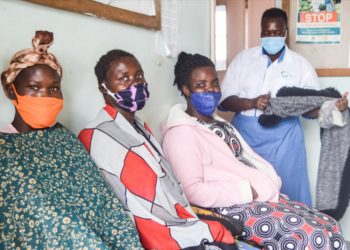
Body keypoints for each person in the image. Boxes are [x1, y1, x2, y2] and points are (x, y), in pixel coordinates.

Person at [162, 51, 347, 250]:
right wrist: (246, 191)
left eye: (214, 83)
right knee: (314, 236)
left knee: (328, 224)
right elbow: (192, 190)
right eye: (201, 85)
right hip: (232, 208)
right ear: (186, 90)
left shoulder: (218, 123)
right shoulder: (181, 134)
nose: (211, 89)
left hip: (257, 199)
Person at [78, 49, 241, 250]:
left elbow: (166, 185)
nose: (134, 83)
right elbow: (132, 201)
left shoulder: (140, 127)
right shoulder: (95, 135)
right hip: (151, 228)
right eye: (124, 78)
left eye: (138, 76)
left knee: (223, 231)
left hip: (177, 215)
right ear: (103, 88)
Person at [0, 31, 141, 249]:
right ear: (11, 90)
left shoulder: (63, 136)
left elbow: (101, 199)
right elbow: (30, 216)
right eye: (35, 88)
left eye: (53, 88)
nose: (45, 96)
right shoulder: (4, 149)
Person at [218, 8, 346, 206]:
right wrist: (252, 102)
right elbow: (224, 101)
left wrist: (332, 107)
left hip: (285, 142)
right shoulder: (243, 60)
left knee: (289, 194)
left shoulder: (301, 65)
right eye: (267, 33)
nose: (272, 37)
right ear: (260, 32)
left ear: (286, 32)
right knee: (249, 194)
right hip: (245, 138)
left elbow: (310, 110)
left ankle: (295, 236)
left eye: (277, 32)